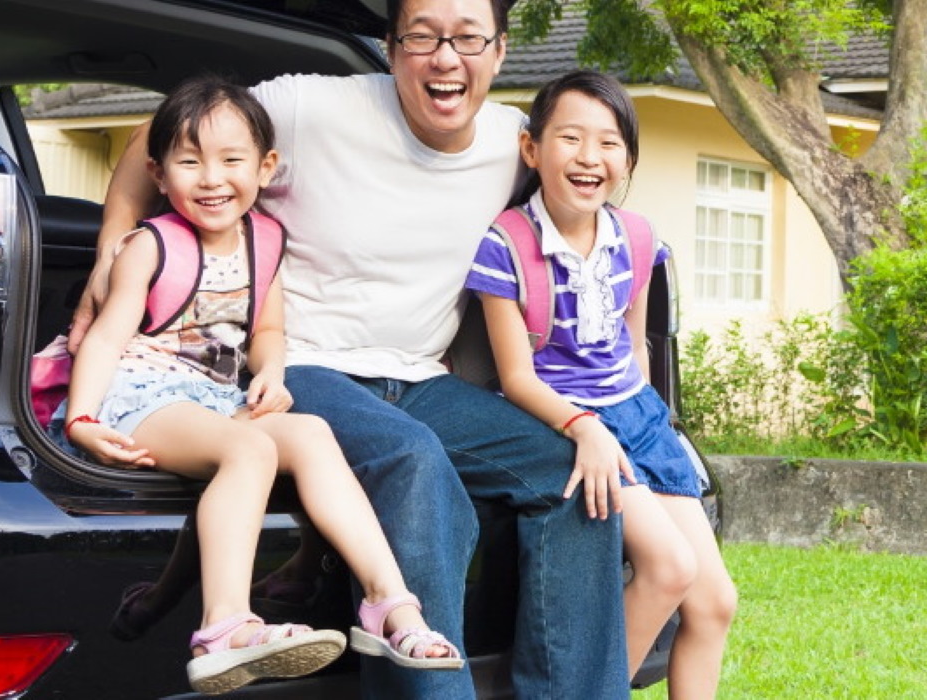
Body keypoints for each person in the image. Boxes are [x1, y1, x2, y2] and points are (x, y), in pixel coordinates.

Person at [67, 0, 629, 697]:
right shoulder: (308, 106)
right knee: (413, 460)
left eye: (466, 39)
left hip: (421, 379)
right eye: (421, 37)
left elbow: (587, 215)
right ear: (391, 47)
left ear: (499, 50)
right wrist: (109, 247)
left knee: (570, 476)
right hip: (302, 365)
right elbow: (157, 140)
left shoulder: (518, 142)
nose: (444, 58)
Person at [55, 74, 461, 696]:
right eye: (189, 162)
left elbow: (266, 328)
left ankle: (390, 605)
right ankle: (222, 629)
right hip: (140, 393)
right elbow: (106, 338)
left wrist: (270, 371)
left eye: (231, 160)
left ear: (266, 167)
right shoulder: (150, 244)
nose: (212, 178)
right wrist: (82, 419)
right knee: (253, 449)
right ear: (160, 176)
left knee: (312, 433)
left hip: (213, 394)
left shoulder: (264, 241)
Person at [463, 71, 738, 698]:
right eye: (570, 138)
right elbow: (516, 377)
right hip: (563, 418)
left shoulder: (638, 240)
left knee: (715, 600)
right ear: (532, 149)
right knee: (667, 569)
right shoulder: (506, 245)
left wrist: (651, 426)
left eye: (609, 142)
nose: (590, 157)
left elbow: (634, 349)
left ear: (628, 159)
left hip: (637, 417)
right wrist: (584, 428)